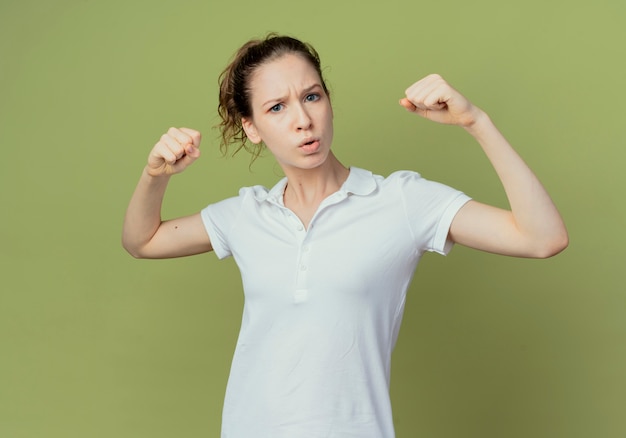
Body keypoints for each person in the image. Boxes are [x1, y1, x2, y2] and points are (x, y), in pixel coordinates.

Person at [122, 34, 568, 438]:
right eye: (277, 107)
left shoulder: (400, 200)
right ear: (251, 128)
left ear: (328, 101)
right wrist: (154, 175)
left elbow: (542, 238)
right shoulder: (246, 214)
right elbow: (141, 241)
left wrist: (477, 122)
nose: (303, 119)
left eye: (311, 96)